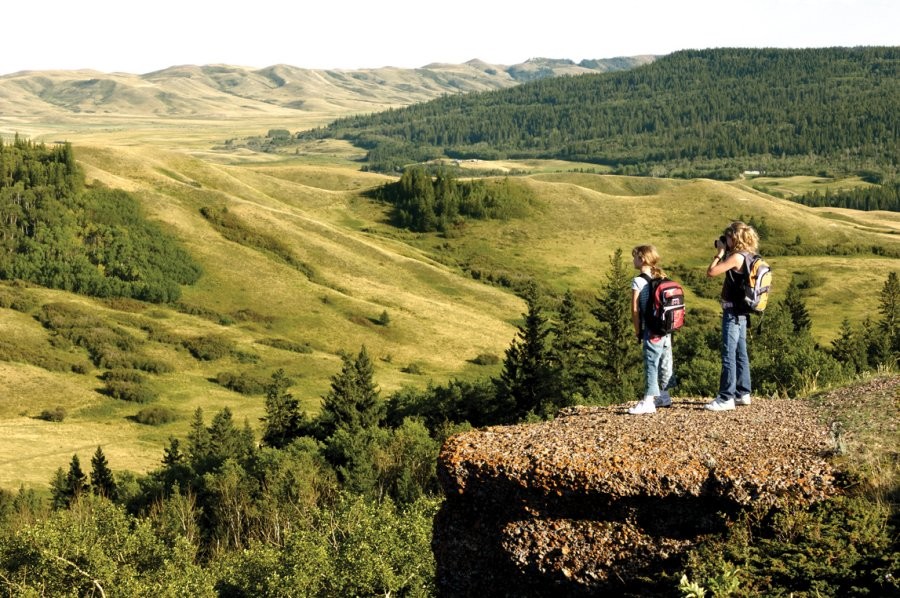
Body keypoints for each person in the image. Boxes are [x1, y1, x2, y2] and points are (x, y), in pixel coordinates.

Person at [704, 221, 758, 411]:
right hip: (742, 311)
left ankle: (726, 397)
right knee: (740, 353)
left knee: (728, 354)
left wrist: (719, 254)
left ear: (733, 238)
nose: (724, 241)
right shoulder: (750, 255)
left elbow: (711, 272)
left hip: (733, 312)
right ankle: (743, 393)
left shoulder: (736, 258)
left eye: (727, 238)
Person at [628, 245, 674, 415]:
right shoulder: (662, 276)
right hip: (666, 329)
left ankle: (648, 401)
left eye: (635, 257)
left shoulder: (638, 281)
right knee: (664, 362)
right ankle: (664, 395)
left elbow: (635, 310)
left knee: (651, 362)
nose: (633, 260)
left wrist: (637, 330)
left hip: (651, 329)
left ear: (642, 259)